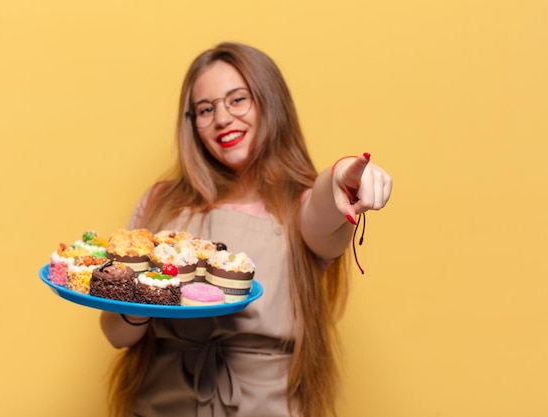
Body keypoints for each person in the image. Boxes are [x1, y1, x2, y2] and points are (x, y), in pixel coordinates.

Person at [99, 42, 392, 417]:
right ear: (192, 122)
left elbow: (323, 208)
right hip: (161, 403)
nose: (222, 118)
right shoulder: (161, 203)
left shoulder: (300, 207)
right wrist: (142, 296)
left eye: (238, 100)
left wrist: (341, 174)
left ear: (271, 103)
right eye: (206, 109)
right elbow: (115, 334)